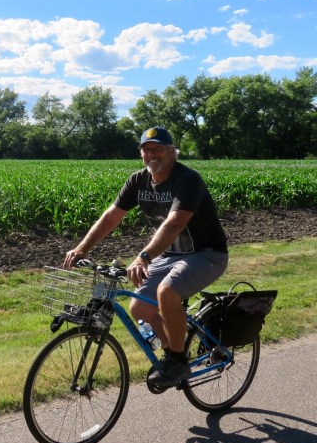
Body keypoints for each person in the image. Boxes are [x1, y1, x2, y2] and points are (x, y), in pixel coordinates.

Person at [63, 126, 229, 388]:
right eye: (146, 149)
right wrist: (82, 248)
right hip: (171, 255)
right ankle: (172, 353)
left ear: (172, 152)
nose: (151, 154)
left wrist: (144, 257)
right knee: (139, 308)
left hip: (207, 254)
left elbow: (175, 223)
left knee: (167, 292)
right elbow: (112, 216)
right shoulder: (138, 181)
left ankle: (178, 361)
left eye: (158, 149)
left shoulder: (188, 180)